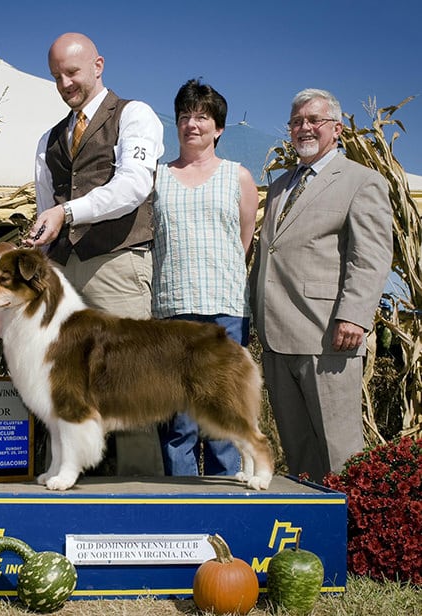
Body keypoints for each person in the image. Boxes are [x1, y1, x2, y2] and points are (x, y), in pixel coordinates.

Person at [26, 32, 165, 476]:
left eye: (72, 72)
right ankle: (70, 487)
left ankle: (143, 494)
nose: (64, 83)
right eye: (56, 76)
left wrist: (67, 212)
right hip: (64, 273)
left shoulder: (134, 115)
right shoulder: (48, 139)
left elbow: (133, 186)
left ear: (98, 65)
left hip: (117, 265)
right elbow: (45, 209)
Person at [249, 88, 393, 484]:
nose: (304, 128)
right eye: (296, 122)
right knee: (299, 457)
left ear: (337, 128)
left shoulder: (362, 181)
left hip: (330, 336)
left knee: (340, 454)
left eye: (314, 120)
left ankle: (351, 523)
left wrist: (354, 316)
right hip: (277, 339)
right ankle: (309, 522)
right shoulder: (280, 186)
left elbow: (370, 256)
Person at [151, 79, 259, 477]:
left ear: (218, 128)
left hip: (224, 311)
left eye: (202, 117)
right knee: (178, 422)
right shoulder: (156, 178)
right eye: (184, 116)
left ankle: (224, 500)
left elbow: (243, 240)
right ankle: (182, 501)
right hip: (172, 310)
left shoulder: (238, 177)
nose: (191, 124)